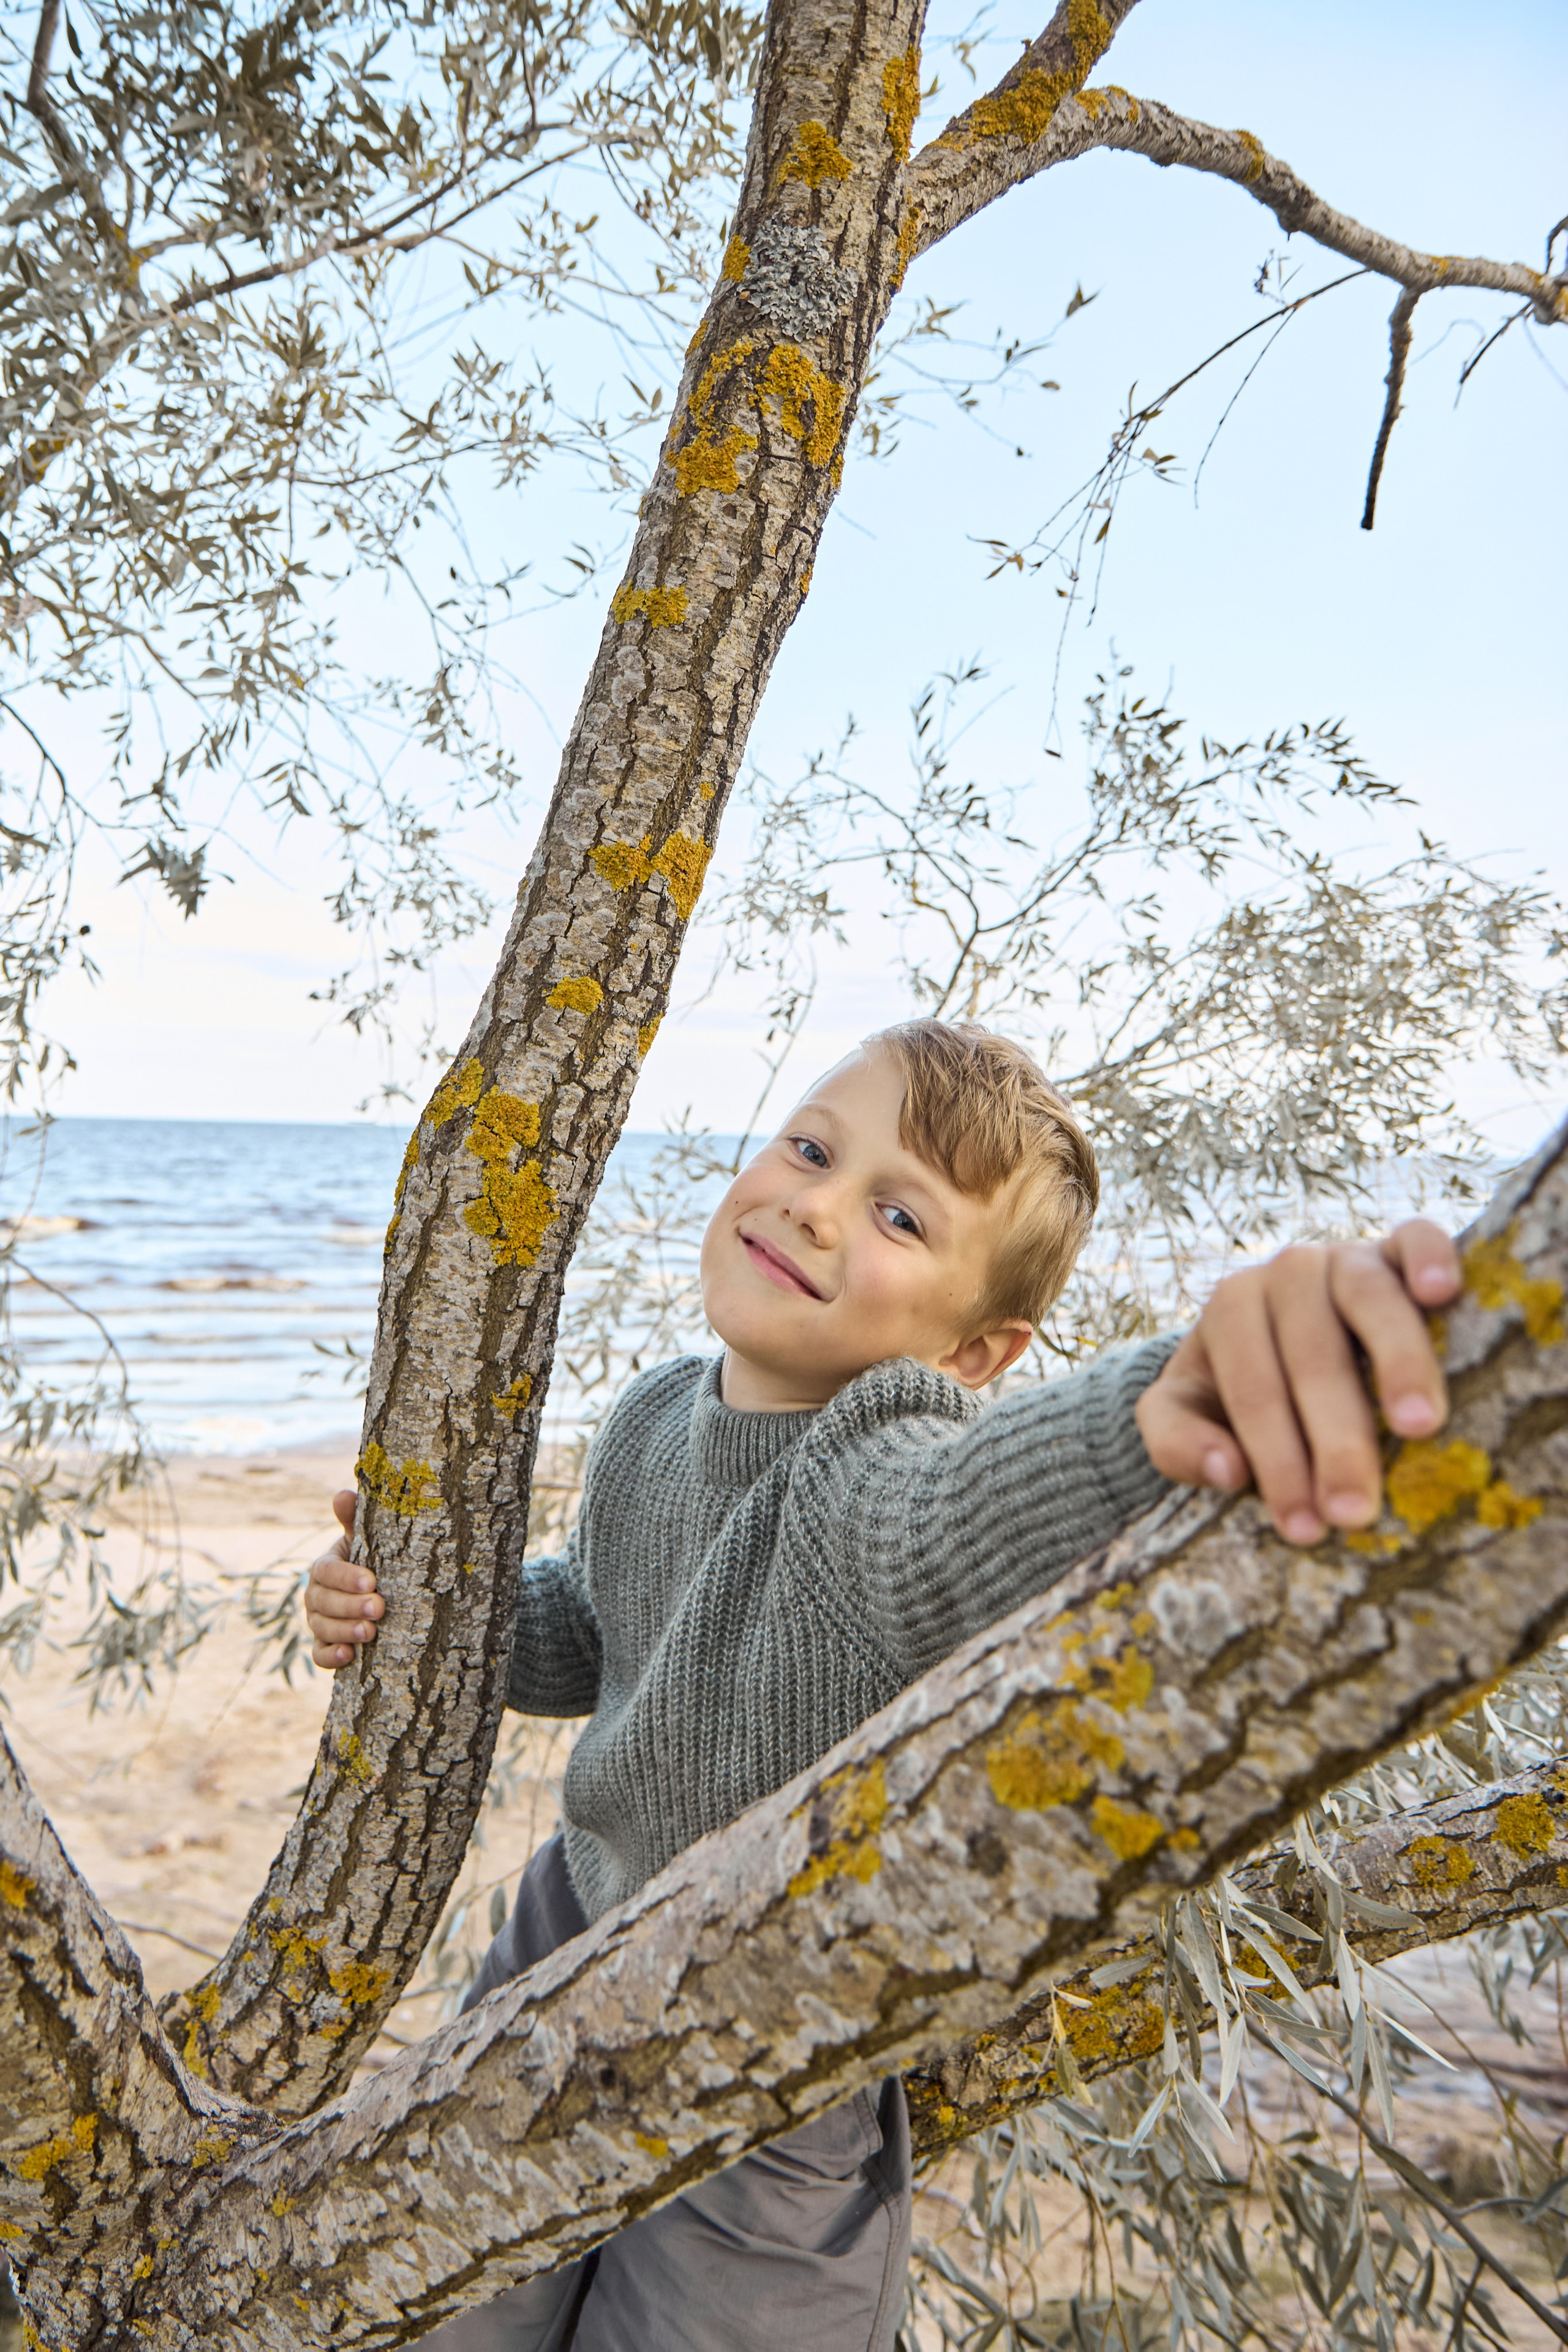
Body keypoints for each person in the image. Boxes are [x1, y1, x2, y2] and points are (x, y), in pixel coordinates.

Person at [304, 1020, 1460, 2352]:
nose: (811, 1203)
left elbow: (971, 1519)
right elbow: (594, 1626)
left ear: (973, 1354)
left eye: (897, 1216)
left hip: (760, 2049)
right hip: (561, 1932)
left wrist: (1168, 1402)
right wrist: (432, 1619)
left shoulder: (873, 1466)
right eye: (810, 1149)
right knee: (436, 2314)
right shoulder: (652, 1419)